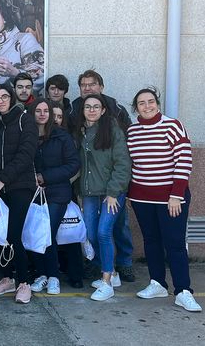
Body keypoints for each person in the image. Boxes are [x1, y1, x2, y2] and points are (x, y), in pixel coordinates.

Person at [126, 88, 201, 312]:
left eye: (150, 102)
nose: (147, 106)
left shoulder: (172, 126)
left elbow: (184, 161)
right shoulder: (132, 131)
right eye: (141, 103)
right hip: (141, 199)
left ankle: (183, 291)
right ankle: (157, 283)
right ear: (135, 108)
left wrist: (176, 196)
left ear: (157, 104)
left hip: (171, 200)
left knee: (175, 244)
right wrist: (131, 194)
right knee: (151, 241)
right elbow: (132, 165)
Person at [69, 70, 135, 282]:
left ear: (101, 88)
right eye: (83, 85)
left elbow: (123, 156)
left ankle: (123, 264)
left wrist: (116, 189)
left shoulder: (116, 113)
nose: (88, 88)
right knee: (93, 231)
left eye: (92, 84)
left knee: (116, 227)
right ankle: (101, 265)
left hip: (112, 188)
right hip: (88, 188)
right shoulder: (76, 114)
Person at [0, 84, 38, 304]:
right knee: (2, 236)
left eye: (5, 96)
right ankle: (7, 278)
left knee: (15, 235)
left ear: (12, 98)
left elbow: (26, 154)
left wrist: (3, 179)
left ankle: (23, 282)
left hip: (20, 187)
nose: (1, 101)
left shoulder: (25, 119)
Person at [27, 98, 82, 296]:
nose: (42, 114)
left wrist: (45, 177)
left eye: (46, 111)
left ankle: (53, 277)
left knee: (47, 232)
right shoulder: (28, 136)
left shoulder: (62, 136)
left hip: (57, 193)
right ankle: (41, 275)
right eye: (38, 110)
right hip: (33, 193)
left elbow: (73, 164)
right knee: (34, 233)